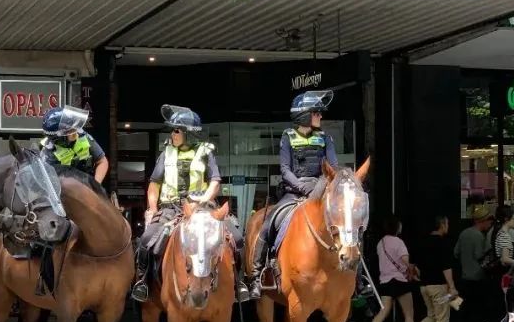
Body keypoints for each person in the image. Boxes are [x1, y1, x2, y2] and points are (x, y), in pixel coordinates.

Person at [131, 104, 248, 303]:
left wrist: (202, 200)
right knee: (146, 240)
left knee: (237, 238)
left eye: (176, 130)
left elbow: (215, 182)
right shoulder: (166, 153)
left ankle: (240, 283)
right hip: (171, 209)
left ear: (188, 133)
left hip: (202, 208)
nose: (172, 134)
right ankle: (142, 281)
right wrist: (152, 208)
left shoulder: (205, 152)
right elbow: (154, 184)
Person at [249, 90, 337, 299]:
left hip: (321, 190)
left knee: (345, 224)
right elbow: (285, 169)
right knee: (269, 222)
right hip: (294, 192)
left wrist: (318, 188)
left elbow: (332, 167)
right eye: (317, 113)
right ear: (304, 115)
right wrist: (303, 188)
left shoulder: (326, 138)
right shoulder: (288, 136)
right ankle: (256, 274)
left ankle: (359, 277)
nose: (320, 116)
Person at [361, 216, 418, 322]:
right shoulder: (399, 242)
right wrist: (414, 272)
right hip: (400, 281)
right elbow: (406, 262)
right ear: (397, 228)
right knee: (409, 314)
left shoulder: (381, 243)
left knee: (383, 312)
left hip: (385, 282)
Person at [407, 216, 459, 322]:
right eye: (447, 224)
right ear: (442, 225)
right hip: (439, 286)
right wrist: (452, 286)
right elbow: (446, 267)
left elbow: (411, 265)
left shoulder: (421, 243)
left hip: (424, 286)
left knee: (432, 315)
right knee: (442, 318)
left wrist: (414, 275)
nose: (448, 226)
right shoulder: (443, 244)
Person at [38, 105, 109, 184]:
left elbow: (102, 161)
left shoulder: (82, 135)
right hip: (64, 191)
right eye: (70, 131)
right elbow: (48, 184)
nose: (76, 132)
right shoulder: (49, 154)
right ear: (60, 139)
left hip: (88, 186)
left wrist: (96, 185)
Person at [454, 207, 493, 322]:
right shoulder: (479, 236)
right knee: (480, 309)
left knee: (463, 305)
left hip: (464, 276)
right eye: (489, 220)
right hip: (477, 277)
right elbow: (479, 256)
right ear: (483, 221)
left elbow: (456, 252)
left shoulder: (464, 233)